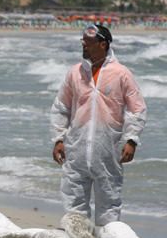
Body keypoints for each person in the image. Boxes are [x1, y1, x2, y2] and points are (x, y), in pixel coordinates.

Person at [50, 24, 146, 226]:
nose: (84, 44)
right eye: (83, 40)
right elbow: (61, 107)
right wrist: (58, 139)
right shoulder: (75, 73)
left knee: (109, 202)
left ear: (103, 44)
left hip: (108, 149)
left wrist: (131, 140)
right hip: (76, 148)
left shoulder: (121, 73)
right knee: (73, 199)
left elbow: (137, 108)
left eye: (89, 41)